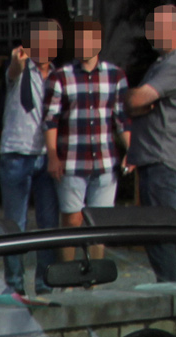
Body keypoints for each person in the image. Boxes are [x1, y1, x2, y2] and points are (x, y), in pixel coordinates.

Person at [127, 3, 176, 280]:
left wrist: (134, 103)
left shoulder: (175, 65)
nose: (150, 32)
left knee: (159, 232)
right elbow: (135, 105)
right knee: (153, 232)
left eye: (156, 27)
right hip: (154, 158)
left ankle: (170, 288)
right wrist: (135, 105)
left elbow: (135, 100)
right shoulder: (164, 64)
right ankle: (166, 283)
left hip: (162, 159)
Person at [44, 19, 129, 237]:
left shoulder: (115, 76)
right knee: (72, 222)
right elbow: (50, 119)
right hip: (71, 161)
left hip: (105, 161)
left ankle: (97, 270)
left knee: (100, 226)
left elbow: (121, 119)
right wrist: (53, 155)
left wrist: (132, 151)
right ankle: (69, 269)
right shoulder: (60, 76)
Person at [0, 18, 62, 295]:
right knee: (15, 224)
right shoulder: (21, 70)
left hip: (48, 156)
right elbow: (12, 72)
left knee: (48, 223)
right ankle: (14, 285)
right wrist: (17, 61)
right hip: (16, 152)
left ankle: (45, 282)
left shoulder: (61, 76)